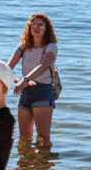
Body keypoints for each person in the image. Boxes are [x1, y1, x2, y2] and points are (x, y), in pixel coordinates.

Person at [7, 13, 58, 142]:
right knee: (24, 138)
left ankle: (43, 163)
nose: (36, 27)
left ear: (47, 28)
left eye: (41, 25)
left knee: (43, 139)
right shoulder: (23, 46)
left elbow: (44, 65)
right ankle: (25, 162)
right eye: (33, 25)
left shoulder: (51, 46)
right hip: (25, 92)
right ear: (29, 28)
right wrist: (19, 81)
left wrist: (24, 80)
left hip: (43, 92)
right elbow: (7, 68)